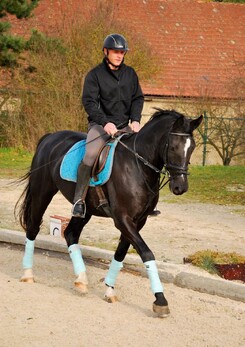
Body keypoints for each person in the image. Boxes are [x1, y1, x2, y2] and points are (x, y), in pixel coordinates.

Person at [72, 33, 144, 217]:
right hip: (100, 126)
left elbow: (138, 98)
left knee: (142, 154)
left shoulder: (130, 74)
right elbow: (89, 102)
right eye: (115, 52)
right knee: (90, 154)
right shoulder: (95, 75)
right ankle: (79, 201)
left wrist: (135, 120)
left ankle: (142, 201)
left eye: (122, 52)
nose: (119, 55)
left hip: (126, 127)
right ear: (106, 52)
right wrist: (105, 123)